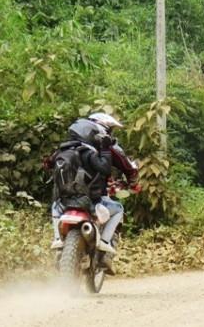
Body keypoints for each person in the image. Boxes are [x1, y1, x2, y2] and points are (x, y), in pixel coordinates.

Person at [46, 112, 139, 275]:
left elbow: (48, 165)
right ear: (103, 130)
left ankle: (58, 240)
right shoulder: (106, 148)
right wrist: (133, 183)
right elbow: (126, 168)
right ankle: (105, 250)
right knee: (118, 209)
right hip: (93, 199)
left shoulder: (65, 148)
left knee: (54, 206)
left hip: (64, 200)